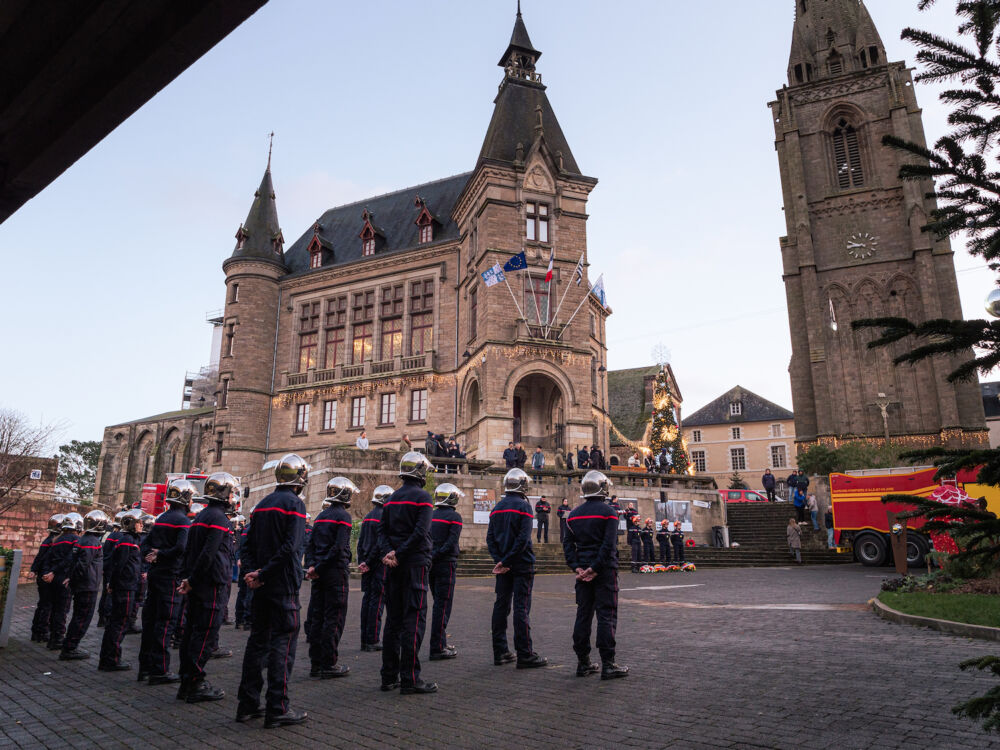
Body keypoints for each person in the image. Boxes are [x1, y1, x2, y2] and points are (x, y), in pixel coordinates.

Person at [237, 454, 309, 728]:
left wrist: (253, 574)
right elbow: (291, 547)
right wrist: (263, 573)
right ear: (300, 479)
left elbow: (247, 545)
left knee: (257, 643)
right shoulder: (295, 504)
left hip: (261, 585)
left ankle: (247, 704)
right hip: (282, 584)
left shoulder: (262, 504)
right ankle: (277, 707)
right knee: (283, 643)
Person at [378, 451, 438, 694]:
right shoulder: (423, 498)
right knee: (414, 619)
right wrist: (400, 553)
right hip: (414, 565)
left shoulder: (390, 500)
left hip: (393, 565)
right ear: (420, 472)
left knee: (392, 620)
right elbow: (420, 533)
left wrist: (389, 553)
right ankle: (410, 678)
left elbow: (381, 532)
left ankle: (388, 676)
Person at [562, 470, 629, 680]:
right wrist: (596, 567)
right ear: (603, 488)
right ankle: (608, 663)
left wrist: (577, 568)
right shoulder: (609, 512)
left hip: (582, 572)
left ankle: (583, 662)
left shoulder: (572, 515)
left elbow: (567, 545)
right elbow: (608, 545)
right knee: (606, 615)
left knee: (583, 614)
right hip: (604, 571)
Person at [177, 472, 237, 703]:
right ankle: (194, 682)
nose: (232, 497)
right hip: (210, 584)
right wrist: (193, 579)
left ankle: (187, 681)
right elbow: (208, 554)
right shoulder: (219, 519)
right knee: (204, 636)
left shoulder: (201, 516)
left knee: (192, 632)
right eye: (231, 493)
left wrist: (188, 578)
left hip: (199, 582)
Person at [487, 467, 546, 670]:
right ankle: (525, 654)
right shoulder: (524, 506)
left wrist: (500, 560)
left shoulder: (497, 508)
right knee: (521, 608)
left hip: (503, 565)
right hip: (521, 564)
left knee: (501, 606)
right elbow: (523, 538)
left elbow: (490, 539)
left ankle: (500, 651)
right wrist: (508, 560)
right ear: (522, 485)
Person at [137, 479, 193, 685]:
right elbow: (182, 548)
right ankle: (159, 670)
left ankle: (144, 667)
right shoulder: (183, 522)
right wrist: (162, 554)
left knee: (150, 621)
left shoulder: (161, 518)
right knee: (165, 622)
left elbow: (145, 544)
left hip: (155, 574)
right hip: (171, 576)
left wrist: (151, 556)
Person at [305, 476, 359, 680]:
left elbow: (310, 545)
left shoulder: (320, 516)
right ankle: (329, 663)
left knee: (318, 616)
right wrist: (319, 566)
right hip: (335, 572)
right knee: (333, 618)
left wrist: (312, 566)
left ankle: (315, 663)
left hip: (319, 573)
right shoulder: (343, 517)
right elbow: (339, 548)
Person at [99, 509, 144, 671]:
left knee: (117, 623)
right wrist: (113, 584)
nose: (141, 525)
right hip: (124, 587)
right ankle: (111, 659)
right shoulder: (127, 541)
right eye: (139, 523)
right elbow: (120, 565)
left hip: (125, 586)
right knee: (119, 623)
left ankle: (108, 657)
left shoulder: (130, 540)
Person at [60, 509, 108, 660]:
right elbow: (82, 564)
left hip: (83, 584)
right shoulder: (92, 542)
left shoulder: (83, 539)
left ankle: (69, 646)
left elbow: (75, 563)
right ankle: (70, 648)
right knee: (82, 617)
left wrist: (71, 578)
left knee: (79, 616)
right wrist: (74, 579)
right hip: (87, 585)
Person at [429, 483, 463, 661]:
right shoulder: (455, 517)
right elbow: (451, 542)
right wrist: (437, 555)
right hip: (446, 564)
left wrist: (431, 556)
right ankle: (437, 647)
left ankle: (440, 640)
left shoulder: (431, 515)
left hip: (431, 564)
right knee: (443, 606)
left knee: (438, 604)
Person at [358, 485, 391, 651]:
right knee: (377, 603)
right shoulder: (384, 517)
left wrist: (363, 562)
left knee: (367, 601)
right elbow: (380, 544)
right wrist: (370, 562)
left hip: (367, 565)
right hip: (378, 564)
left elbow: (361, 542)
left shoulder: (368, 517)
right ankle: (372, 639)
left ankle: (364, 638)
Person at [42, 513, 82, 651]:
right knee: (62, 610)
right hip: (63, 578)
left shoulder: (57, 539)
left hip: (52, 578)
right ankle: (58, 638)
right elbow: (70, 559)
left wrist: (48, 572)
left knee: (54, 609)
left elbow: (47, 558)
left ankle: (53, 638)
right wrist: (54, 572)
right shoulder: (76, 539)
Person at [30, 514, 62, 643]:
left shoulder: (48, 540)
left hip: (42, 575)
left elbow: (39, 557)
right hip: (46, 576)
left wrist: (34, 570)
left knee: (43, 604)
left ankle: (37, 631)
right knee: (46, 605)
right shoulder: (53, 542)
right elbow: (44, 558)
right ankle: (41, 632)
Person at [97, 513, 123, 628]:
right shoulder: (120, 537)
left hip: (107, 566)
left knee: (105, 592)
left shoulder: (110, 535)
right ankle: (106, 616)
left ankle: (102, 616)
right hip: (112, 567)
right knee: (110, 593)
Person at [624, 502, 641, 573]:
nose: (631, 505)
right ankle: (634, 567)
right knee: (634, 554)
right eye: (630, 504)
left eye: (632, 504)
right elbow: (625, 517)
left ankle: (639, 566)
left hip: (638, 540)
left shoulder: (635, 511)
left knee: (639, 554)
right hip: (630, 526)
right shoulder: (627, 510)